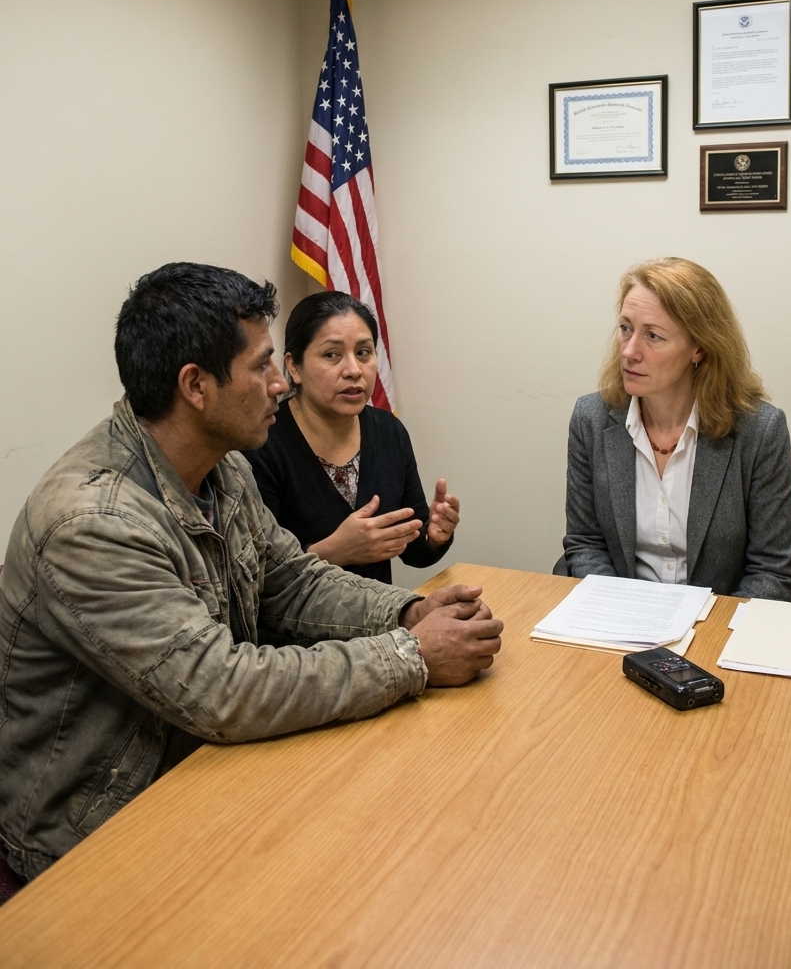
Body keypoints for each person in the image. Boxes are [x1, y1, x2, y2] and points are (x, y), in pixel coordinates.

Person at [0, 264, 502, 882]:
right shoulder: (94, 524)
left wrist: (404, 612)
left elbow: (289, 578)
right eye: (264, 366)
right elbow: (222, 690)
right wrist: (412, 656)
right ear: (196, 386)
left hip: (207, 775)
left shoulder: (224, 465)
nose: (278, 385)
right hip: (95, 840)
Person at [555, 257, 791, 599]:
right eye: (625, 328)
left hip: (717, 625)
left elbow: (773, 571)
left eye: (653, 336)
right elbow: (585, 544)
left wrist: (710, 636)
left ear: (699, 347)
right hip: (621, 619)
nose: (629, 351)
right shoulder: (592, 418)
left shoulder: (759, 430)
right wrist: (622, 615)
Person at [244, 292, 459, 585]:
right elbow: (254, 577)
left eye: (363, 353)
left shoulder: (389, 431)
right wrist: (333, 552)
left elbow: (414, 551)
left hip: (382, 621)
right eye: (331, 355)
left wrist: (435, 537)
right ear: (294, 366)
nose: (354, 370)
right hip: (296, 629)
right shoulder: (262, 442)